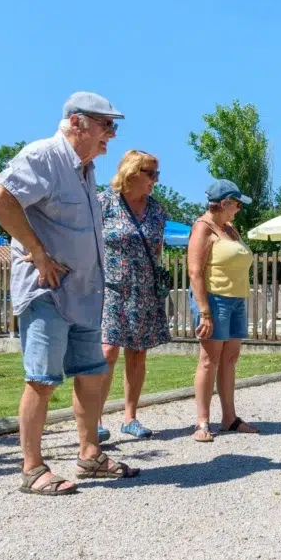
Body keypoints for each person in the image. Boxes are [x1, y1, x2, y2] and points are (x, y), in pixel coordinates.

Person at [0, 91, 139, 496]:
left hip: (86, 292)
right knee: (43, 378)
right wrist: (38, 255)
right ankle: (32, 469)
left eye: (113, 126)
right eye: (106, 125)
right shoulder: (45, 156)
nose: (112, 134)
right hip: (47, 291)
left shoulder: (84, 169)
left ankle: (90, 455)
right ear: (77, 123)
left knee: (91, 375)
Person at [95, 150, 171, 441]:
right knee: (107, 352)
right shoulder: (104, 202)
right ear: (131, 173)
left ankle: (130, 417)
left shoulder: (157, 210)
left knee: (138, 353)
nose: (155, 179)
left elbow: (157, 250)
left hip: (144, 290)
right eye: (150, 173)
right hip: (110, 288)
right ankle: (96, 420)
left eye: (157, 173)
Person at [186, 180, 260, 442]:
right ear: (224, 203)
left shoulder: (230, 228)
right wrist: (204, 311)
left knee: (230, 359)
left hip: (237, 299)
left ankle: (229, 418)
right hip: (215, 300)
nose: (239, 209)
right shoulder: (203, 228)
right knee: (209, 360)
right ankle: (202, 422)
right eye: (237, 204)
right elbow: (194, 271)